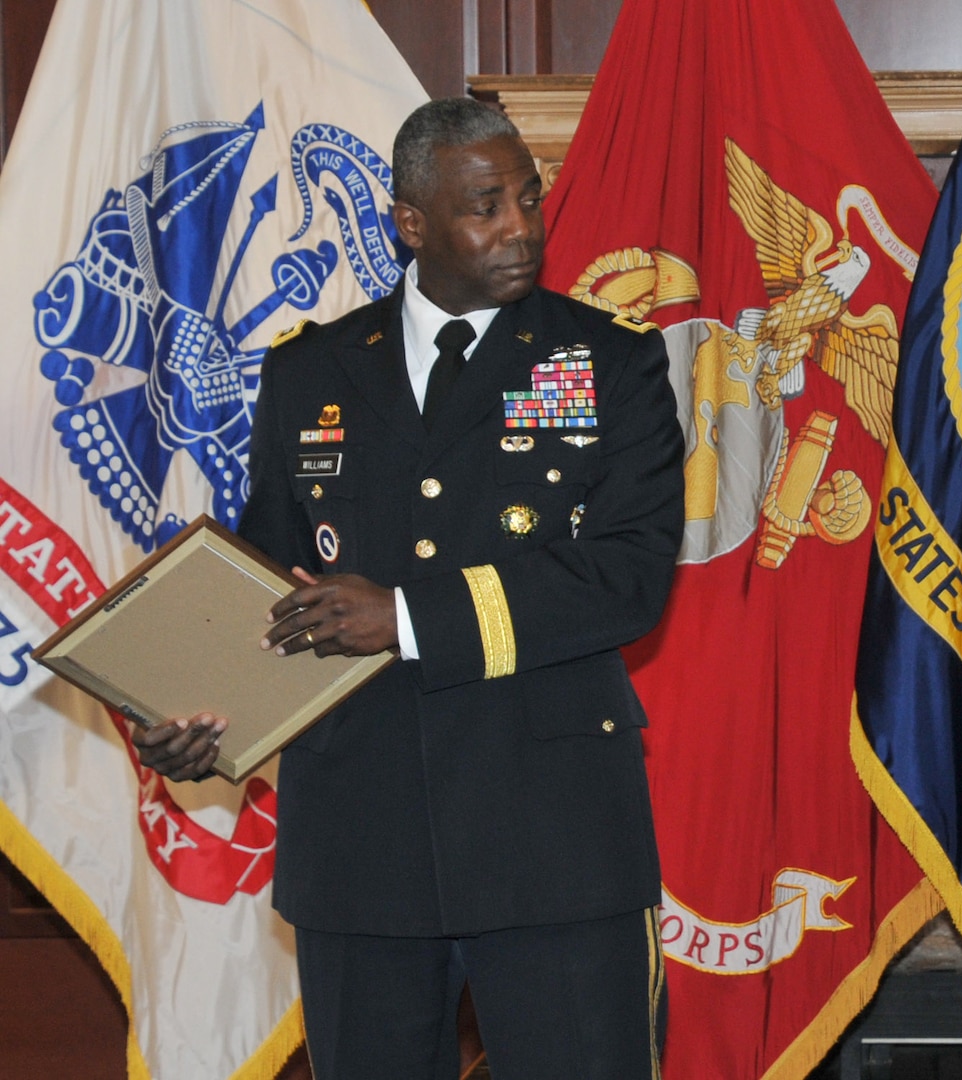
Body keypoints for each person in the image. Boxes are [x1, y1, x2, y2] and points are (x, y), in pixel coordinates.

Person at [132, 97, 684, 1079]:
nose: (520, 226)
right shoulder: (311, 372)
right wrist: (194, 711)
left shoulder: (607, 362)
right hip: (361, 842)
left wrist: (404, 616)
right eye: (485, 205)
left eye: (528, 198)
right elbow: (271, 590)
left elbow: (627, 579)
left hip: (550, 840)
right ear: (411, 223)